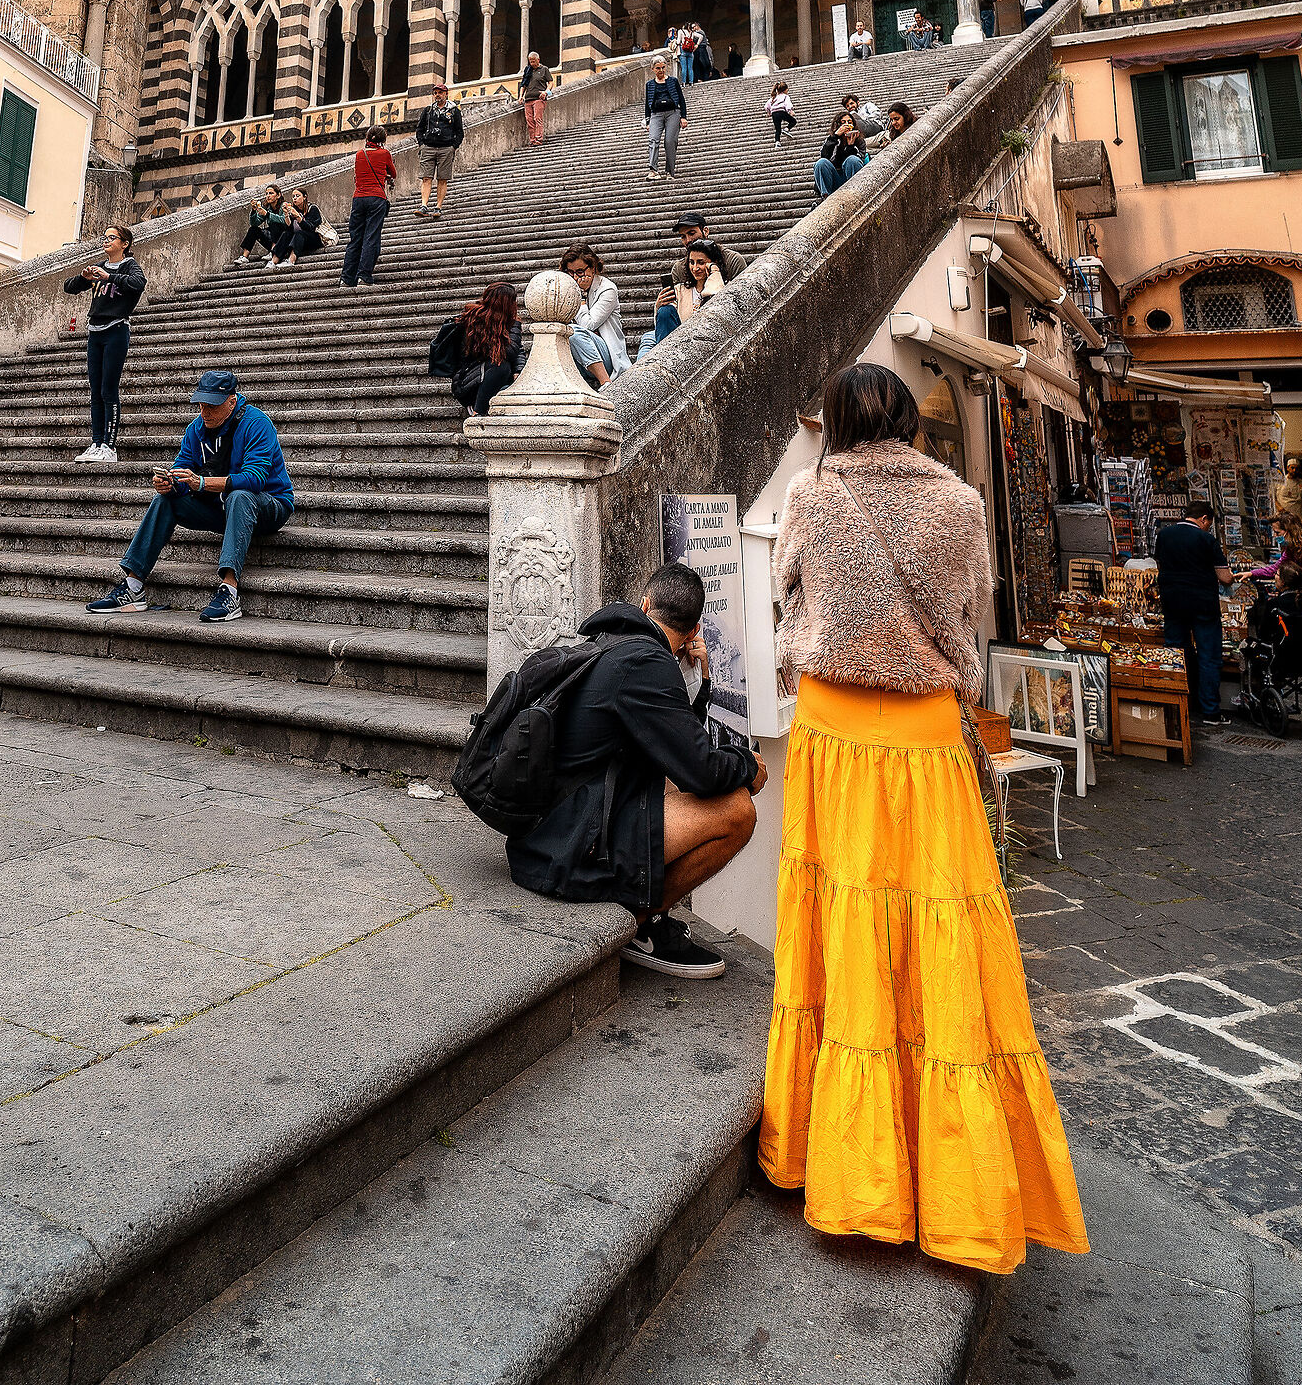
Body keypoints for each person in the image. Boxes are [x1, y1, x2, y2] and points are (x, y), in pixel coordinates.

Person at [759, 361, 1087, 1272]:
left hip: (830, 724)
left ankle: (843, 1160)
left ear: (833, 420)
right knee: (941, 926)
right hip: (925, 730)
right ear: (906, 418)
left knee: (842, 919)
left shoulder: (812, 495)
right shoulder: (958, 501)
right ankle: (957, 1189)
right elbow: (968, 616)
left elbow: (789, 596)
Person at [506, 560, 766, 979]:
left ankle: (645, 911)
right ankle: (642, 922)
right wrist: (746, 766)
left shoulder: (616, 642)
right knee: (737, 810)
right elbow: (701, 771)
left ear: (645, 604)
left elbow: (673, 744)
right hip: (569, 851)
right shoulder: (646, 665)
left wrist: (693, 683)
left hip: (548, 831)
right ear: (695, 629)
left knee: (674, 782)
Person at [92, 367, 293, 624]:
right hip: (222, 509)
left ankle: (229, 590)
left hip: (269, 506)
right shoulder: (196, 429)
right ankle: (133, 585)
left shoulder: (257, 424)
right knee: (164, 500)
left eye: (212, 405)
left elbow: (255, 479)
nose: (205, 412)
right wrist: (171, 483)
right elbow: (182, 468)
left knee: (240, 495)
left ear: (232, 401)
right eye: (201, 404)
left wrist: (201, 483)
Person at [65, 223, 145, 463]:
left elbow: (138, 284)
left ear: (124, 243)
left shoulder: (130, 265)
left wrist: (110, 277)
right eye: (105, 236)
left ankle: (109, 447)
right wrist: (83, 278)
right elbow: (68, 287)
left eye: (112, 237)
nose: (106, 240)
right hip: (95, 331)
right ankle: (96, 442)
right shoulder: (98, 267)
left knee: (108, 389)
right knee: (95, 390)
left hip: (116, 330)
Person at [1155, 496, 1234, 729]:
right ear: (1204, 519)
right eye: (1208, 522)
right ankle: (1210, 711)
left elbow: (1161, 566)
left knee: (1176, 653)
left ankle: (1178, 705)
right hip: (1202, 605)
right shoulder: (1205, 539)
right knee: (1209, 656)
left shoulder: (1164, 535)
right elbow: (1225, 577)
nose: (1208, 526)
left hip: (1172, 602)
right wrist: (1233, 578)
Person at [428, 281, 525, 416]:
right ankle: (477, 411)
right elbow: (506, 352)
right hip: (469, 383)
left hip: (495, 379)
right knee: (500, 365)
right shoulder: (473, 322)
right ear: (505, 303)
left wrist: (519, 370)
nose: (515, 305)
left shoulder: (511, 322)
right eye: (513, 301)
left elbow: (517, 349)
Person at [560, 243, 630, 388]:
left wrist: (581, 298)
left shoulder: (607, 289)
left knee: (574, 332)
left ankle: (605, 382)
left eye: (579, 272)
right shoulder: (569, 289)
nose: (574, 278)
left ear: (592, 268)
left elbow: (588, 325)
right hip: (578, 356)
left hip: (608, 356)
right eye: (570, 272)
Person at [640, 242, 722, 357]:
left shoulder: (721, 285)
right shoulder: (680, 290)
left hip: (707, 346)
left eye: (701, 262)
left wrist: (715, 273)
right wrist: (659, 305)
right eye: (691, 262)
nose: (695, 268)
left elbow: (717, 299)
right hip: (679, 347)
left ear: (713, 263)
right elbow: (664, 324)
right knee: (664, 311)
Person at [341, 126, 396, 289]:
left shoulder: (359, 154)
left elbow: (359, 175)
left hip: (358, 198)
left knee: (355, 238)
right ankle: (364, 275)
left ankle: (346, 278)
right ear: (382, 139)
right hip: (376, 198)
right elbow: (393, 173)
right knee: (371, 236)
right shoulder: (384, 154)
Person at [415, 84, 464, 218]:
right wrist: (422, 145)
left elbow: (459, 131)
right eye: (435, 93)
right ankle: (424, 205)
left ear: (446, 94)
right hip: (428, 147)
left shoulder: (454, 111)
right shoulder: (428, 110)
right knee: (426, 178)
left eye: (440, 92)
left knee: (442, 179)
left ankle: (438, 207)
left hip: (446, 148)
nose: (437, 95)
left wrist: (453, 146)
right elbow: (420, 129)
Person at [670, 212, 746, 287]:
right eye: (683, 237)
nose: (688, 240)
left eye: (692, 233)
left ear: (705, 231)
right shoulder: (679, 268)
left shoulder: (733, 260)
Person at [644, 55, 689, 179]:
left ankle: (669, 171)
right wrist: (647, 121)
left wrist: (683, 116)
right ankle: (653, 170)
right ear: (652, 69)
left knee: (670, 141)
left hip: (672, 113)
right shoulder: (649, 84)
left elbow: (681, 99)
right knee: (653, 139)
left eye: (663, 67)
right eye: (658, 68)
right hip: (656, 114)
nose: (661, 70)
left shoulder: (673, 81)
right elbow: (647, 104)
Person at [270, 186, 324, 269]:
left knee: (300, 233)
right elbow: (289, 228)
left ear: (305, 197)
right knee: (286, 233)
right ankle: (274, 261)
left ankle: (291, 260)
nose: (295, 198)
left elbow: (310, 228)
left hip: (314, 239)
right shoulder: (294, 210)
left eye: (297, 196)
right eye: (293, 196)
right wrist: (286, 215)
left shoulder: (312, 208)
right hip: (299, 241)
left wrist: (298, 217)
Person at [814, 113, 865, 198]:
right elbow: (825, 156)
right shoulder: (831, 140)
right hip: (833, 178)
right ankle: (826, 196)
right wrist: (835, 136)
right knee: (821, 162)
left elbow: (859, 160)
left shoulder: (860, 141)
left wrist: (850, 146)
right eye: (843, 122)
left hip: (850, 178)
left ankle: (857, 194)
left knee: (852, 160)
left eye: (849, 122)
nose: (847, 124)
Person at [237, 186, 289, 266]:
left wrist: (267, 214)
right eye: (267, 193)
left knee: (275, 224)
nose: (268, 196)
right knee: (253, 229)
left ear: (278, 195)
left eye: (271, 193)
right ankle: (245, 256)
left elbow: (284, 221)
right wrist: (254, 211)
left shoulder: (284, 205)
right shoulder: (267, 207)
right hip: (272, 238)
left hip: (284, 241)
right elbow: (255, 223)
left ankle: (273, 252)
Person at [518, 51, 552, 146]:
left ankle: (538, 139)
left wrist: (546, 92)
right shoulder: (528, 70)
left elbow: (550, 83)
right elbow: (523, 85)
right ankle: (532, 140)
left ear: (538, 60)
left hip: (539, 98)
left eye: (533, 61)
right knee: (529, 120)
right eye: (530, 61)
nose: (532, 63)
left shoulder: (544, 69)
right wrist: (521, 96)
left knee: (537, 118)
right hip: (528, 99)